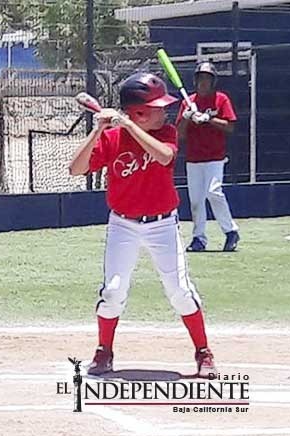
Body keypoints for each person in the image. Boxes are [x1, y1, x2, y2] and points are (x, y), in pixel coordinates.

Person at [68, 73, 217, 379]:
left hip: (162, 225)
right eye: (156, 107)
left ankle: (203, 352)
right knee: (112, 292)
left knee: (181, 292)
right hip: (123, 224)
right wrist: (98, 131)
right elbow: (76, 169)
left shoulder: (167, 133)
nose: (164, 112)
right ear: (136, 112)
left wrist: (129, 125)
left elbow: (163, 158)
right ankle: (104, 351)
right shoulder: (112, 138)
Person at [177, 62, 240, 252]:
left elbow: (230, 126)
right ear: (196, 81)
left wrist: (208, 119)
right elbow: (180, 134)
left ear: (213, 82)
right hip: (194, 157)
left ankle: (230, 231)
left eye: (207, 79)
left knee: (213, 192)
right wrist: (188, 117)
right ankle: (199, 238)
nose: (204, 82)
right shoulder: (187, 102)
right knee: (196, 200)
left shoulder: (221, 99)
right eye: (201, 78)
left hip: (215, 156)